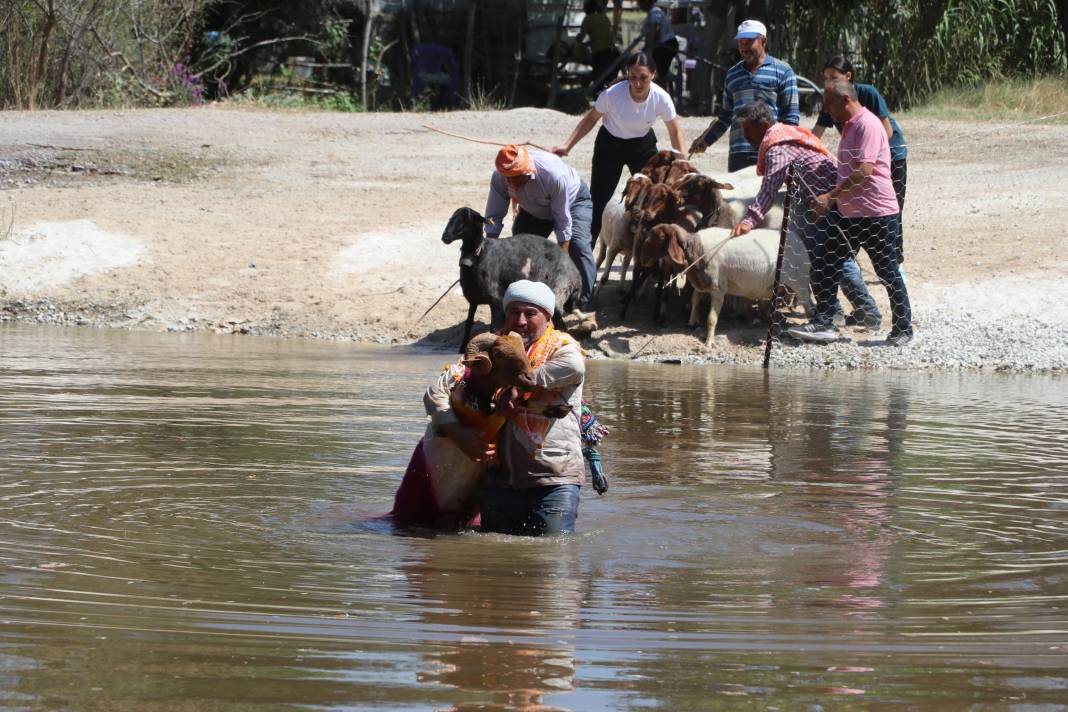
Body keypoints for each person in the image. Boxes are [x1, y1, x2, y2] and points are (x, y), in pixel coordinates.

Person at [425, 280, 587, 536]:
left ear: (548, 316)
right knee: (497, 567)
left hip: (554, 479)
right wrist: (455, 430)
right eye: (514, 312)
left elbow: (575, 368)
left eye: (530, 313)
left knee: (551, 561)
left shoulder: (562, 347)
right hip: (498, 482)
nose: (520, 321)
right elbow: (437, 390)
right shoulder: (493, 349)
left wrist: (520, 384)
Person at [792, 80, 913, 347]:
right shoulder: (848, 126)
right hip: (850, 213)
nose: (827, 111)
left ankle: (903, 330)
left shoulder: (867, 125)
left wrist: (830, 197)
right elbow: (846, 169)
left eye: (830, 105)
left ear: (845, 100)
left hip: (877, 214)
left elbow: (864, 171)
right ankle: (824, 323)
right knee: (826, 262)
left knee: (887, 271)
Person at [552, 52, 684, 249]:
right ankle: (584, 251)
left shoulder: (661, 98)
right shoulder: (613, 94)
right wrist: (567, 145)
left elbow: (674, 131)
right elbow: (590, 119)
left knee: (652, 196)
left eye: (643, 78)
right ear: (628, 75)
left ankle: (651, 249)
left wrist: (681, 162)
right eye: (633, 77)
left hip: (642, 146)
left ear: (653, 75)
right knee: (599, 199)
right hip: (609, 146)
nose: (638, 83)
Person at [814, 55, 909, 288]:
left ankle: (895, 263)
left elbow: (885, 131)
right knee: (856, 216)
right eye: (825, 78)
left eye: (833, 78)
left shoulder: (866, 94)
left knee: (888, 211)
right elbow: (815, 135)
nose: (828, 83)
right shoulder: (831, 100)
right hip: (860, 159)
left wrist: (863, 155)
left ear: (848, 77)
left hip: (890, 155)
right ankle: (852, 265)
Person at [485, 144, 596, 313]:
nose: (511, 182)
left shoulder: (554, 176)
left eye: (515, 177)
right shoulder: (500, 176)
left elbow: (562, 220)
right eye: (507, 177)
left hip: (573, 202)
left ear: (528, 171)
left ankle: (583, 303)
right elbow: (493, 216)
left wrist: (563, 261)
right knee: (521, 248)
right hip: (534, 208)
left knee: (578, 246)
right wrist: (489, 249)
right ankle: (526, 296)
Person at [689, 19, 800, 173]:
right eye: (741, 42)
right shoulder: (732, 75)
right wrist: (706, 140)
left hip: (771, 151)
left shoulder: (783, 72)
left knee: (770, 196)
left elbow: (791, 117)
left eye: (749, 42)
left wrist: (784, 149)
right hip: (738, 153)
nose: (744, 47)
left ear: (763, 41)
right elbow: (725, 116)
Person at [578, 0, 618, 93]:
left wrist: (575, 42)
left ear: (585, 9)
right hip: (610, 51)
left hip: (599, 52)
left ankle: (593, 95)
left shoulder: (587, 19)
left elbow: (581, 37)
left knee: (598, 78)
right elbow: (603, 35)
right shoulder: (604, 18)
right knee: (605, 75)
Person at [637, 0, 678, 85]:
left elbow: (656, 32)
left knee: (657, 72)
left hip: (666, 45)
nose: (638, 4)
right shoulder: (649, 15)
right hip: (659, 46)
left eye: (640, 2)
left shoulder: (655, 11)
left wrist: (649, 49)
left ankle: (660, 88)